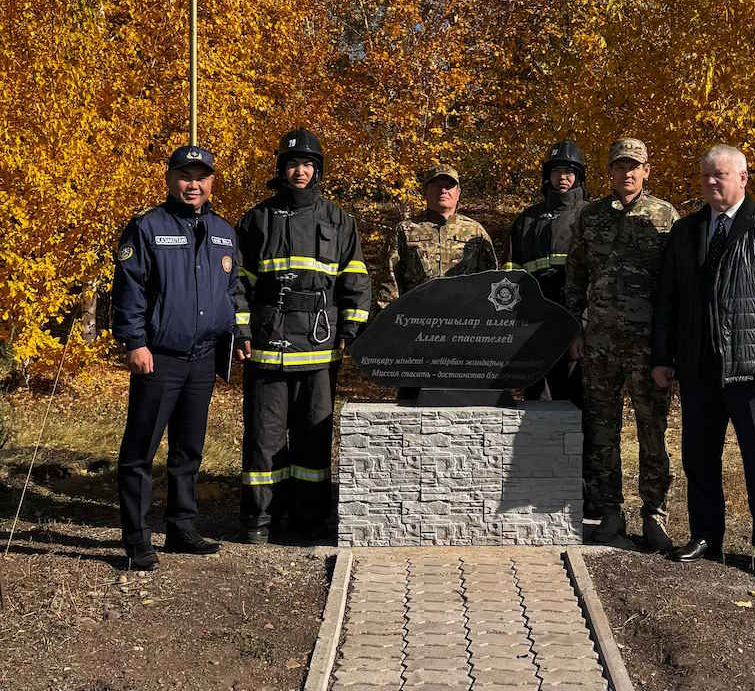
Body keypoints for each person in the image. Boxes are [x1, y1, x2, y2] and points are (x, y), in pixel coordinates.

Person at [651, 145, 755, 580]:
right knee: (699, 457)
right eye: (704, 177)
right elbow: (667, 300)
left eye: (718, 176)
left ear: (743, 178)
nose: (710, 183)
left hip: (753, 369)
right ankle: (706, 535)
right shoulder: (686, 232)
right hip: (698, 369)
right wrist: (663, 357)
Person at [112, 145, 248, 571]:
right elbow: (129, 289)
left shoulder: (224, 231)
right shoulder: (147, 227)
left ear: (212, 183)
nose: (194, 184)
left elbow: (233, 290)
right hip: (159, 357)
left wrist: (240, 331)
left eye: (202, 176)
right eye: (185, 176)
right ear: (169, 179)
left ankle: (181, 528)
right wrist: (135, 343)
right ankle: (137, 541)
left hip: (203, 358)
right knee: (141, 451)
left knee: (188, 450)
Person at [233, 129, 370, 543]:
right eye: (293, 164)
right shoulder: (257, 218)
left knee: (314, 434)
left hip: (319, 342)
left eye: (308, 164)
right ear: (282, 169)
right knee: (264, 434)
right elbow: (239, 283)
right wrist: (241, 329)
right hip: (268, 342)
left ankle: (309, 519)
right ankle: (260, 520)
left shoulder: (339, 220)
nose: (300, 171)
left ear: (318, 171)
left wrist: (351, 328)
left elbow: (356, 279)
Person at [566, 138, 678, 549]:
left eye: (635, 166)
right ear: (609, 172)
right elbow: (575, 277)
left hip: (648, 347)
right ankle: (609, 513)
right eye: (619, 166)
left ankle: (655, 514)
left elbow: (677, 285)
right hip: (598, 345)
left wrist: (672, 346)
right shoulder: (590, 217)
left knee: (653, 431)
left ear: (647, 171)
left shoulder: (665, 217)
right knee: (601, 431)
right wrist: (575, 330)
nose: (627, 173)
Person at [376, 165, 498, 399]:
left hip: (464, 333)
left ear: (458, 193)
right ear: (426, 192)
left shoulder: (475, 232)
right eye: (437, 185)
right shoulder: (406, 230)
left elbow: (492, 283)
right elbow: (389, 281)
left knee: (464, 402)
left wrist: (489, 330)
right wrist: (388, 327)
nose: (443, 190)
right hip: (417, 332)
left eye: (449, 186)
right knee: (411, 403)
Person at [508, 139, 588, 402]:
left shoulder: (590, 216)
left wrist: (583, 325)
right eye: (556, 171)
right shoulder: (527, 220)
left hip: (575, 322)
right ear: (547, 175)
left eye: (568, 171)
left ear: (578, 175)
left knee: (573, 399)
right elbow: (511, 273)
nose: (562, 177)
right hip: (534, 324)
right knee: (536, 398)